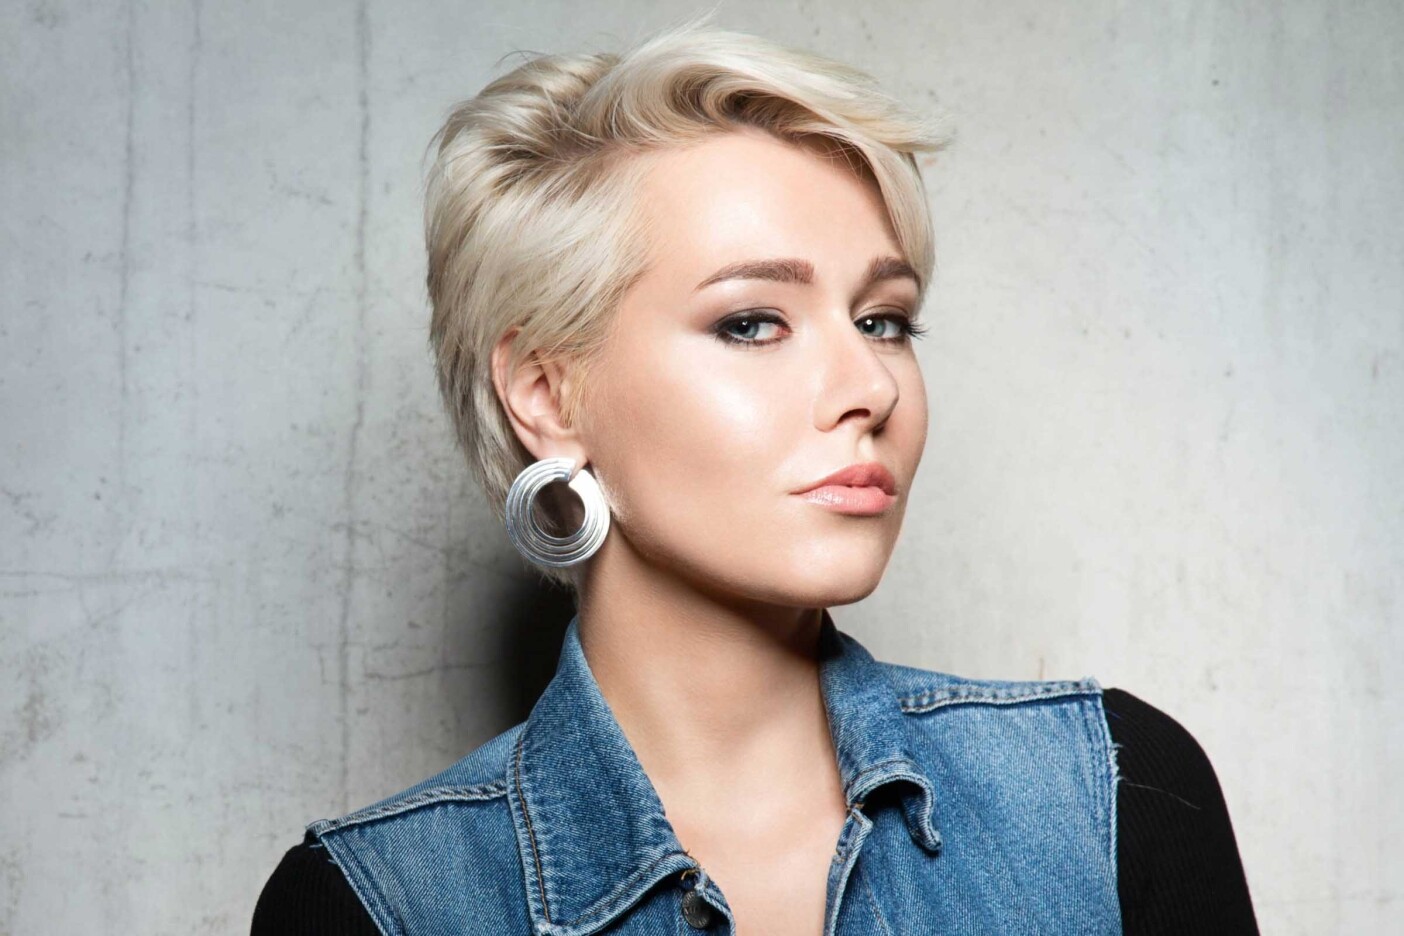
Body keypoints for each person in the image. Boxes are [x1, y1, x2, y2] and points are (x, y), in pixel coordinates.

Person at [252, 17, 1257, 936]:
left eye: (884, 321)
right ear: (549, 395)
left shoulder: (1112, 796)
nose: (870, 386)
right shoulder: (375, 906)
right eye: (751, 323)